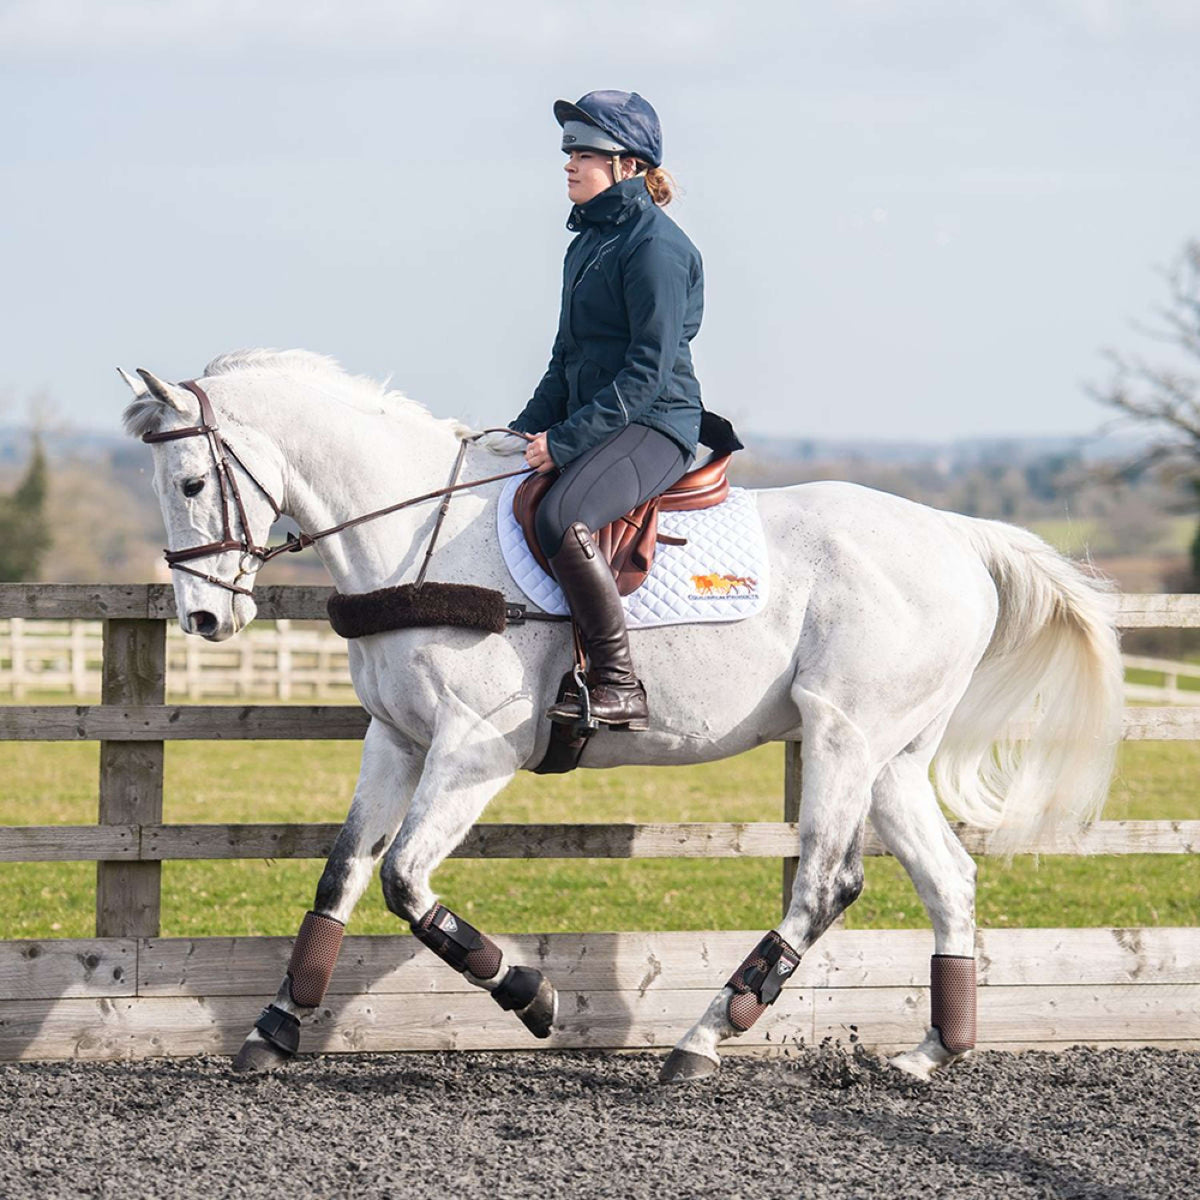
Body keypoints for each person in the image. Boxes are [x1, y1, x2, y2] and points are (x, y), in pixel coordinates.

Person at [495, 90, 716, 730]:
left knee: (564, 517)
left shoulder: (656, 249)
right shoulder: (588, 242)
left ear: (626, 165)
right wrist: (521, 430)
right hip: (603, 420)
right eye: (567, 150)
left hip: (655, 423)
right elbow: (567, 356)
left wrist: (564, 443)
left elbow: (646, 372)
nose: (568, 162)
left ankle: (618, 683)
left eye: (584, 152)